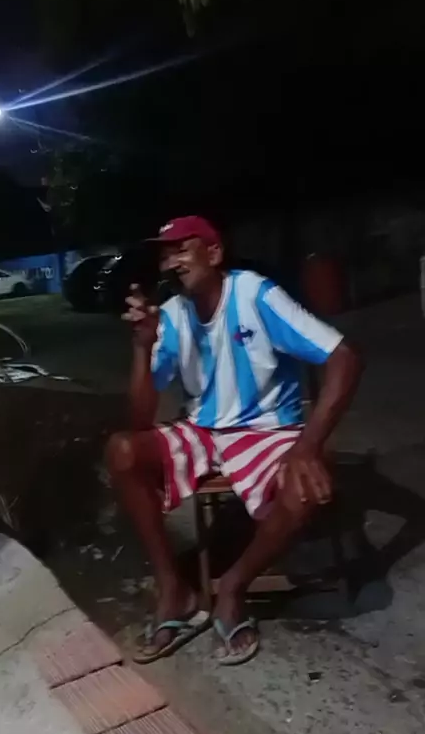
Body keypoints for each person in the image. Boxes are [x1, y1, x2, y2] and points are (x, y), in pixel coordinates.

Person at [106, 215, 362, 665]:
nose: (172, 261)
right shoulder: (171, 316)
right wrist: (142, 347)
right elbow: (139, 420)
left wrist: (307, 447)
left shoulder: (255, 294)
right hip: (202, 431)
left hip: (267, 429)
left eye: (182, 248)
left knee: (302, 489)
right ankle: (174, 590)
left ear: (214, 252)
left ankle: (232, 587)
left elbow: (343, 357)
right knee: (122, 450)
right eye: (165, 255)